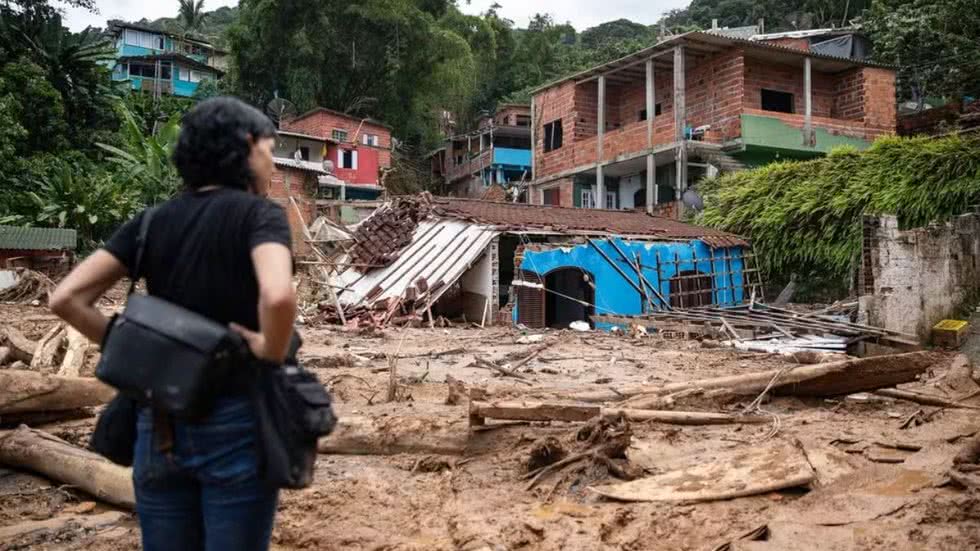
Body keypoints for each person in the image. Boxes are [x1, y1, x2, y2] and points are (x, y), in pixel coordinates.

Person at [49, 97, 296, 551]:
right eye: (270, 148)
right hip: (237, 422)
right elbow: (278, 294)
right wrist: (269, 349)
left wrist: (126, 346)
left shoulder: (151, 222)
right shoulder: (261, 217)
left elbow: (65, 297)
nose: (272, 165)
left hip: (158, 426)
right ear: (246, 145)